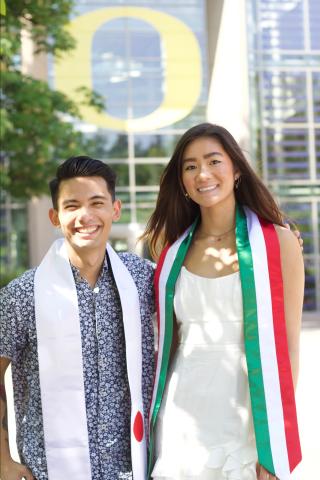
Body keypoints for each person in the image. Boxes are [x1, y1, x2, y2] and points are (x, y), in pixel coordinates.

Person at [143, 124, 304, 480]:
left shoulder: (278, 243)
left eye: (214, 161)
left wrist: (273, 443)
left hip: (247, 413)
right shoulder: (168, 252)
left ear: (236, 170)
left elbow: (289, 347)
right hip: (182, 413)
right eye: (190, 166)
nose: (203, 174)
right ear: (182, 181)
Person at [0, 156, 155, 480]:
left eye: (97, 203)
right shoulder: (21, 294)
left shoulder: (144, 280)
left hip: (133, 469)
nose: (85, 216)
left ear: (115, 209)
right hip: (49, 470)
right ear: (56, 216)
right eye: (72, 206)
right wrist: (2, 459)